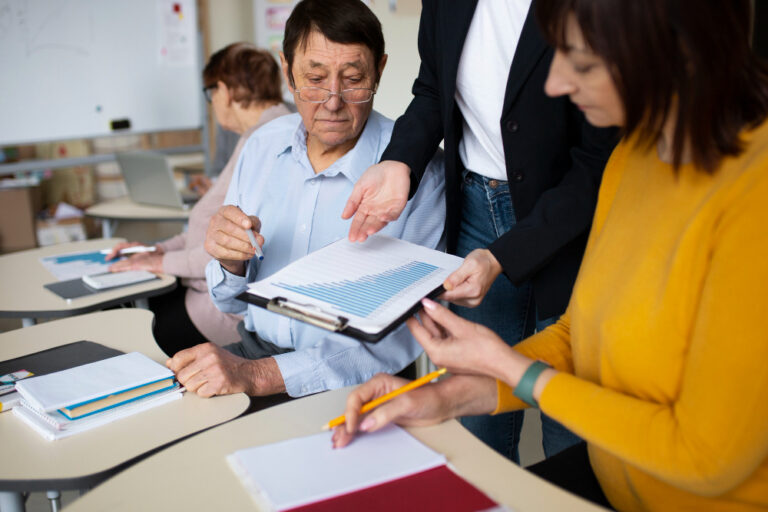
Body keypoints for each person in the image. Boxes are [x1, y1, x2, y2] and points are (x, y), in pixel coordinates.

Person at [334, 1, 768, 510]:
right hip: (613, 480)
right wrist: (447, 394)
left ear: (676, 55)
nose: (556, 83)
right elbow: (579, 334)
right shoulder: (634, 158)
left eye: (581, 63)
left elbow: (704, 458)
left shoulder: (751, 202)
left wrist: (507, 366)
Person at [340, 0, 616, 462]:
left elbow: (598, 161)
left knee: (570, 418)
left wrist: (505, 254)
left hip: (572, 218)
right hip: (475, 207)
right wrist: (398, 161)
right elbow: (433, 87)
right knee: (475, 417)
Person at [165, 0, 445, 401]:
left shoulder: (417, 172)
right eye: (314, 78)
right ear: (287, 71)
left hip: (357, 382)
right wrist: (230, 261)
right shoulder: (263, 145)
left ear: (380, 71)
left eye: (353, 78)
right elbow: (228, 299)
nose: (332, 100)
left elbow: (398, 338)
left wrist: (259, 376)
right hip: (251, 352)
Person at [107, 43, 290, 355]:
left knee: (123, 325)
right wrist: (158, 249)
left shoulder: (267, 139)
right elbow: (209, 227)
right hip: (205, 290)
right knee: (130, 304)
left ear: (225, 90)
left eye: (211, 94)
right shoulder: (260, 134)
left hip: (220, 308)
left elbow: (230, 246)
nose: (213, 103)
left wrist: (156, 261)